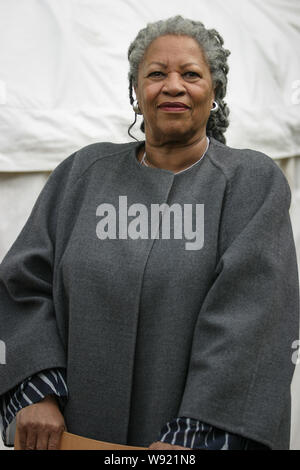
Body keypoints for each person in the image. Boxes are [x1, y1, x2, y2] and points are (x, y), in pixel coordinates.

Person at [0, 15, 299, 451]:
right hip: (76, 438)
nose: (173, 86)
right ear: (136, 93)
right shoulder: (84, 174)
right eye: (156, 74)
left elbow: (252, 320)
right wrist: (35, 391)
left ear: (214, 92)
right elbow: (21, 286)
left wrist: (192, 438)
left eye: (191, 74)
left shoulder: (249, 181)